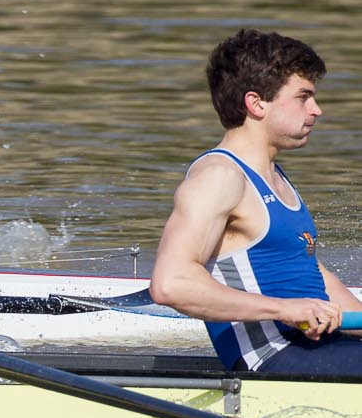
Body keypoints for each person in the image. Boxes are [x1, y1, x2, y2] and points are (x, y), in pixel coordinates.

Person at [150, 29, 362, 374]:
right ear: (256, 103)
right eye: (303, 97)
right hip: (271, 358)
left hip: (317, 350)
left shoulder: (275, 178)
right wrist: (284, 309)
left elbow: (317, 280)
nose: (317, 110)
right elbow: (171, 283)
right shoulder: (220, 178)